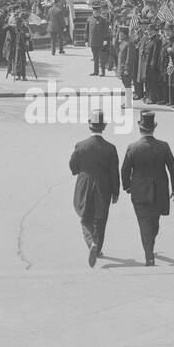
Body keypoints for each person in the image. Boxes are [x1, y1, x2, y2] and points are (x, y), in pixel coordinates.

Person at [120, 110, 174, 266]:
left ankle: (149, 252)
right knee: (154, 222)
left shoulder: (133, 147)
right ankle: (149, 252)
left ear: (140, 128)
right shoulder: (163, 146)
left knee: (144, 223)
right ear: (154, 127)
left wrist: (127, 187)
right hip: (160, 191)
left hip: (139, 192)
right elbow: (173, 168)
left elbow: (125, 170)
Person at [69, 110, 119, 267]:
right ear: (103, 126)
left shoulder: (81, 145)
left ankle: (91, 243)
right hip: (103, 186)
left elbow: (73, 165)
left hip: (84, 184)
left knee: (85, 217)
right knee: (101, 219)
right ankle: (97, 248)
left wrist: (79, 171)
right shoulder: (110, 148)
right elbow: (114, 173)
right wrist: (116, 192)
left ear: (89, 126)